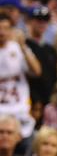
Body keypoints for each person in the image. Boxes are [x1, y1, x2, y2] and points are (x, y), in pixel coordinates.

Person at [0, 12, 41, 140]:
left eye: (6, 28)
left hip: (20, 111)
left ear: (11, 30)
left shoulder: (18, 48)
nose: (2, 32)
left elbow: (37, 71)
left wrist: (23, 46)